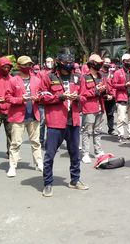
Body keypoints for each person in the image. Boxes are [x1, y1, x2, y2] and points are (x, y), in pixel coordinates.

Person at [40, 50, 89, 197]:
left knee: (75, 153)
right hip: (56, 122)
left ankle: (75, 180)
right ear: (59, 62)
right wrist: (60, 97)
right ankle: (48, 183)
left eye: (70, 62)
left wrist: (78, 98)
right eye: (65, 62)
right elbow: (42, 98)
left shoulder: (78, 77)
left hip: (73, 121)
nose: (68, 65)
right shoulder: (49, 77)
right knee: (49, 155)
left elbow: (85, 96)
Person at [5, 56, 43, 177]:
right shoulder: (13, 80)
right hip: (18, 116)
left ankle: (39, 163)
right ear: (19, 66)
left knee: (36, 142)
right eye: (25, 65)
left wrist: (39, 98)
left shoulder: (37, 80)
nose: (28, 67)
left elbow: (42, 94)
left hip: (34, 115)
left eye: (29, 64)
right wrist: (21, 99)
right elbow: (7, 98)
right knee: (16, 143)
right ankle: (12, 166)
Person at [80, 54, 107, 164]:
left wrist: (104, 90)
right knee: (87, 131)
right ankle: (85, 153)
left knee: (98, 130)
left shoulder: (101, 76)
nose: (100, 65)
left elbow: (105, 89)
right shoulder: (84, 77)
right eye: (98, 63)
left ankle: (98, 151)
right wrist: (95, 91)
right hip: (89, 108)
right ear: (92, 64)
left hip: (100, 107)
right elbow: (82, 93)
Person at [111, 53, 130, 142]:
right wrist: (124, 85)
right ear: (123, 62)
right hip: (122, 98)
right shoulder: (117, 72)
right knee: (121, 118)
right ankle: (121, 135)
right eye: (127, 61)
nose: (129, 62)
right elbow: (114, 84)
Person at [100, 58, 117, 136]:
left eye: (109, 62)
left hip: (110, 96)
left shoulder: (112, 73)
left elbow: (114, 85)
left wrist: (112, 95)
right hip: (101, 96)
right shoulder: (99, 73)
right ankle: (97, 128)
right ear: (103, 62)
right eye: (106, 62)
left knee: (110, 114)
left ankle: (111, 129)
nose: (108, 64)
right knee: (99, 113)